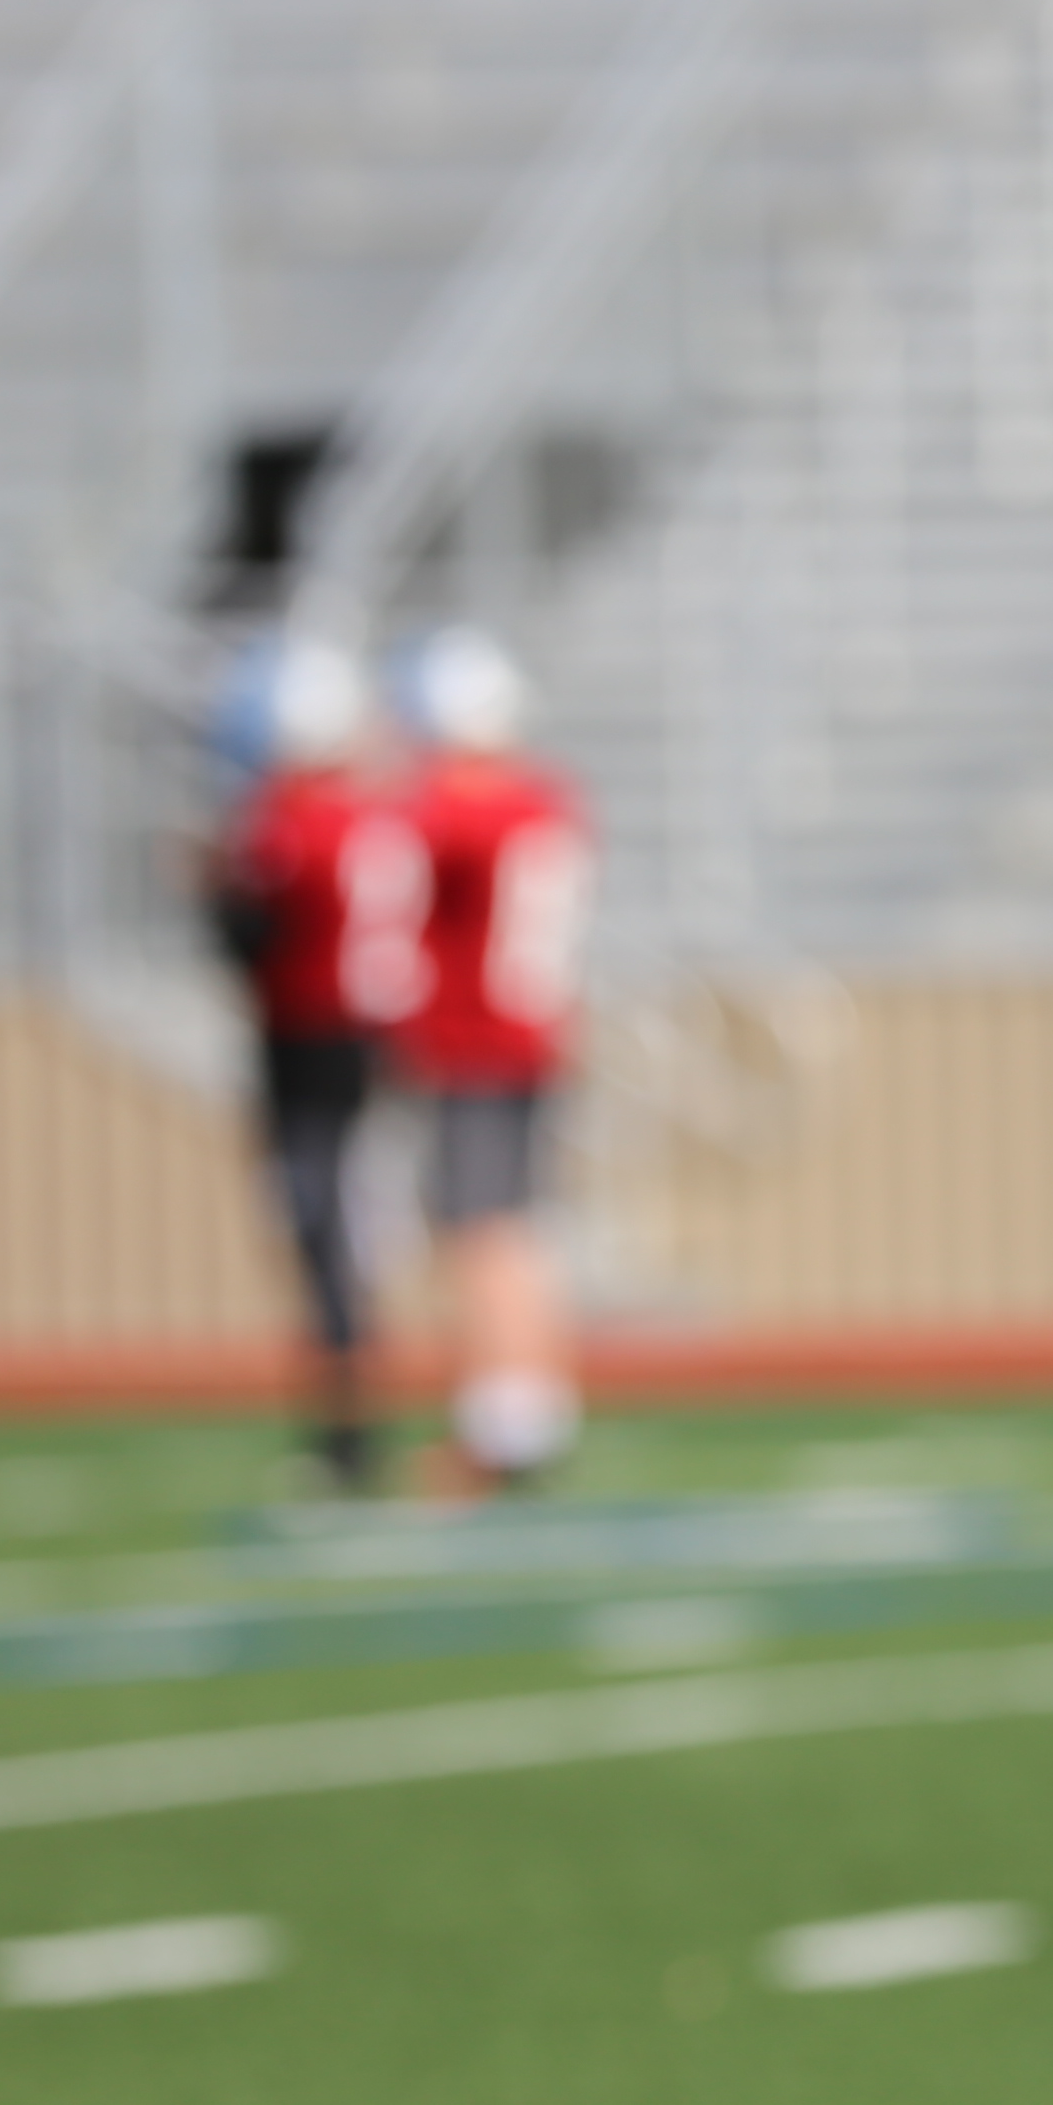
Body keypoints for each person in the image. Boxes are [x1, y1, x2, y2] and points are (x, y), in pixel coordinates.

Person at [200, 632, 418, 1491]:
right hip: (379, 1037)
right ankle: (359, 1408)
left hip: (310, 1038)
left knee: (317, 1223)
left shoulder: (290, 817)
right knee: (349, 1224)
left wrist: (213, 888)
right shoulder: (374, 811)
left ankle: (349, 1425)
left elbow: (250, 937)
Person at [385, 626, 592, 1489]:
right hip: (535, 1036)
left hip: (479, 1045)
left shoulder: (458, 813)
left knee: (480, 1239)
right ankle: (532, 1413)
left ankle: (501, 1429)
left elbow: (398, 846)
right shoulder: (548, 801)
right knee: (519, 1235)